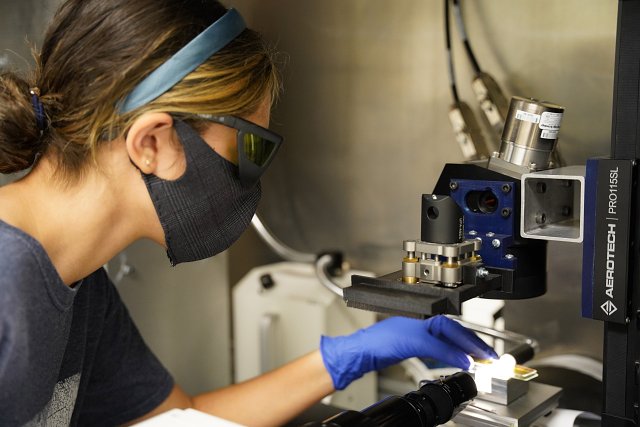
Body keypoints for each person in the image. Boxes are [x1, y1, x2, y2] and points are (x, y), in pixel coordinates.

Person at [0, 1, 498, 426]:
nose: (251, 177)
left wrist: (347, 357)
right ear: (151, 142)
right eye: (249, 150)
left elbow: (177, 418)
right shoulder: (7, 285)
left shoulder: (79, 285)